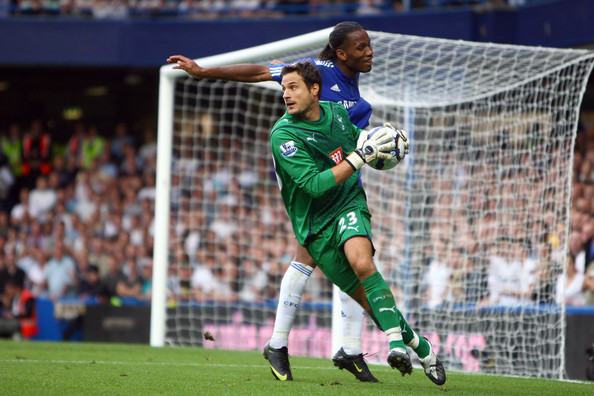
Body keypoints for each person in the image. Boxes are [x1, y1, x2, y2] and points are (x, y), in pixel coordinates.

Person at [168, 21, 380, 382]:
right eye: (361, 47)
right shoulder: (320, 73)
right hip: (307, 170)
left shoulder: (352, 86)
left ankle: (347, 348)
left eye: (368, 44)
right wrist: (203, 71)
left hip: (342, 172)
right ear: (341, 53)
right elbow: (261, 71)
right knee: (311, 251)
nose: (369, 51)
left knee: (353, 256)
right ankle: (287, 344)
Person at [265, 60, 445, 385]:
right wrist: (362, 155)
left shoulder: (336, 112)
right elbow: (315, 186)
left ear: (314, 89)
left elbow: (357, 141)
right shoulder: (284, 135)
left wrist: (382, 143)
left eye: (293, 87)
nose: (286, 95)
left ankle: (394, 347)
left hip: (348, 201)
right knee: (365, 297)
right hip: (315, 223)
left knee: (363, 263)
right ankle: (420, 346)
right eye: (283, 89)